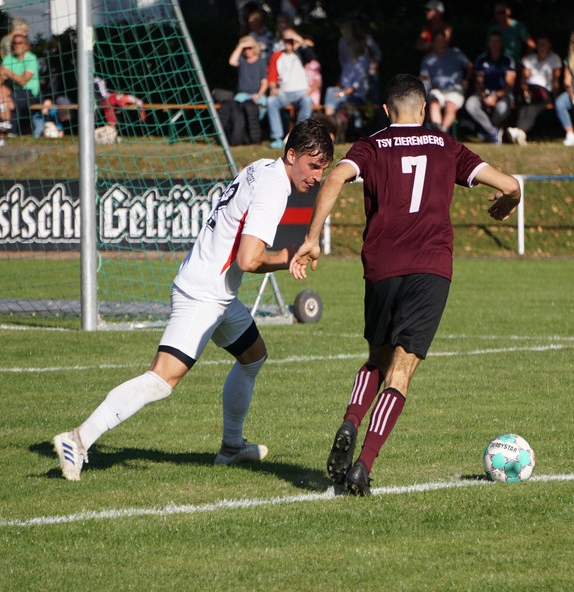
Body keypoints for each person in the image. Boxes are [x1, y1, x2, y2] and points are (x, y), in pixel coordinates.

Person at [52, 118, 334, 481]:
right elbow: (248, 260)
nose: (316, 176)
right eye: (313, 166)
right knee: (161, 379)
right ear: (291, 154)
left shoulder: (261, 167)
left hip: (216, 292)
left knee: (253, 356)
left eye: (323, 169)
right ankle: (79, 439)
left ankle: (232, 447)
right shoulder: (274, 188)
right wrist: (287, 256)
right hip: (203, 293)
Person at [289, 74, 521, 496]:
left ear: (385, 111)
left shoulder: (372, 145)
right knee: (402, 368)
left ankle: (350, 422)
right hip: (430, 267)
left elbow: (335, 178)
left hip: (381, 266)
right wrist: (510, 201)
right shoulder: (446, 146)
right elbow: (510, 184)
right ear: (424, 108)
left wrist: (311, 238)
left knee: (377, 356)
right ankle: (364, 465)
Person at [464, 30, 517, 144]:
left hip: (503, 94)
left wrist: (496, 96)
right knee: (470, 105)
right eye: (492, 41)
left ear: (501, 43)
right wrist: (484, 96)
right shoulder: (482, 59)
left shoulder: (507, 60)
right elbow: (479, 81)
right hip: (484, 92)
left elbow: (509, 83)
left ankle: (486, 129)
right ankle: (493, 131)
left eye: (497, 41)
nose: (494, 44)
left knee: (502, 108)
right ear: (488, 43)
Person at [0, 32, 41, 147]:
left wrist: (7, 72)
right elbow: (1, 75)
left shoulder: (31, 59)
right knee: (1, 93)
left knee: (6, 101)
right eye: (14, 43)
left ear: (26, 45)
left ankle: (0, 135)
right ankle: (6, 124)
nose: (16, 45)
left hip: (29, 93)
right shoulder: (9, 58)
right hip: (14, 91)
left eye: (19, 43)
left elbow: (23, 81)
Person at [266, 31, 315, 148]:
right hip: (283, 93)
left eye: (290, 41)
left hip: (300, 93)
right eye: (286, 41)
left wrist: (296, 37)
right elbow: (272, 76)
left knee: (307, 101)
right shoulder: (276, 56)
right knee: (271, 102)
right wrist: (272, 87)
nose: (288, 43)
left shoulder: (301, 54)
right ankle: (277, 137)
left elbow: (311, 56)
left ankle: (299, 136)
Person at [419, 28, 472, 133]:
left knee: (450, 104)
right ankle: (439, 132)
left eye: (443, 41)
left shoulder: (455, 54)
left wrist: (467, 79)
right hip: (436, 89)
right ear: (433, 43)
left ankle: (442, 131)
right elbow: (424, 77)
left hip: (455, 88)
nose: (441, 44)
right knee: (434, 102)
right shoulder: (427, 59)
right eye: (438, 41)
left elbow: (470, 66)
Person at [512, 35, 562, 143]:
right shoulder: (530, 59)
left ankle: (518, 130)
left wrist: (556, 96)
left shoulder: (554, 59)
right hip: (530, 89)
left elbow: (555, 80)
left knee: (532, 107)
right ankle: (519, 133)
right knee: (524, 103)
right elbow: (524, 78)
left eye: (544, 44)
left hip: (544, 91)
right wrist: (525, 89)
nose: (541, 47)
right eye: (539, 45)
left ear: (549, 45)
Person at [229, 35, 269, 121]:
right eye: (245, 49)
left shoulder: (261, 61)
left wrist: (258, 95)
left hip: (258, 94)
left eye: (249, 48)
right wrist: (241, 46)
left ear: (254, 48)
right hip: (243, 94)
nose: (247, 51)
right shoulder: (241, 60)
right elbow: (232, 62)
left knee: (263, 106)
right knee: (236, 105)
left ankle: (256, 126)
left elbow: (264, 82)